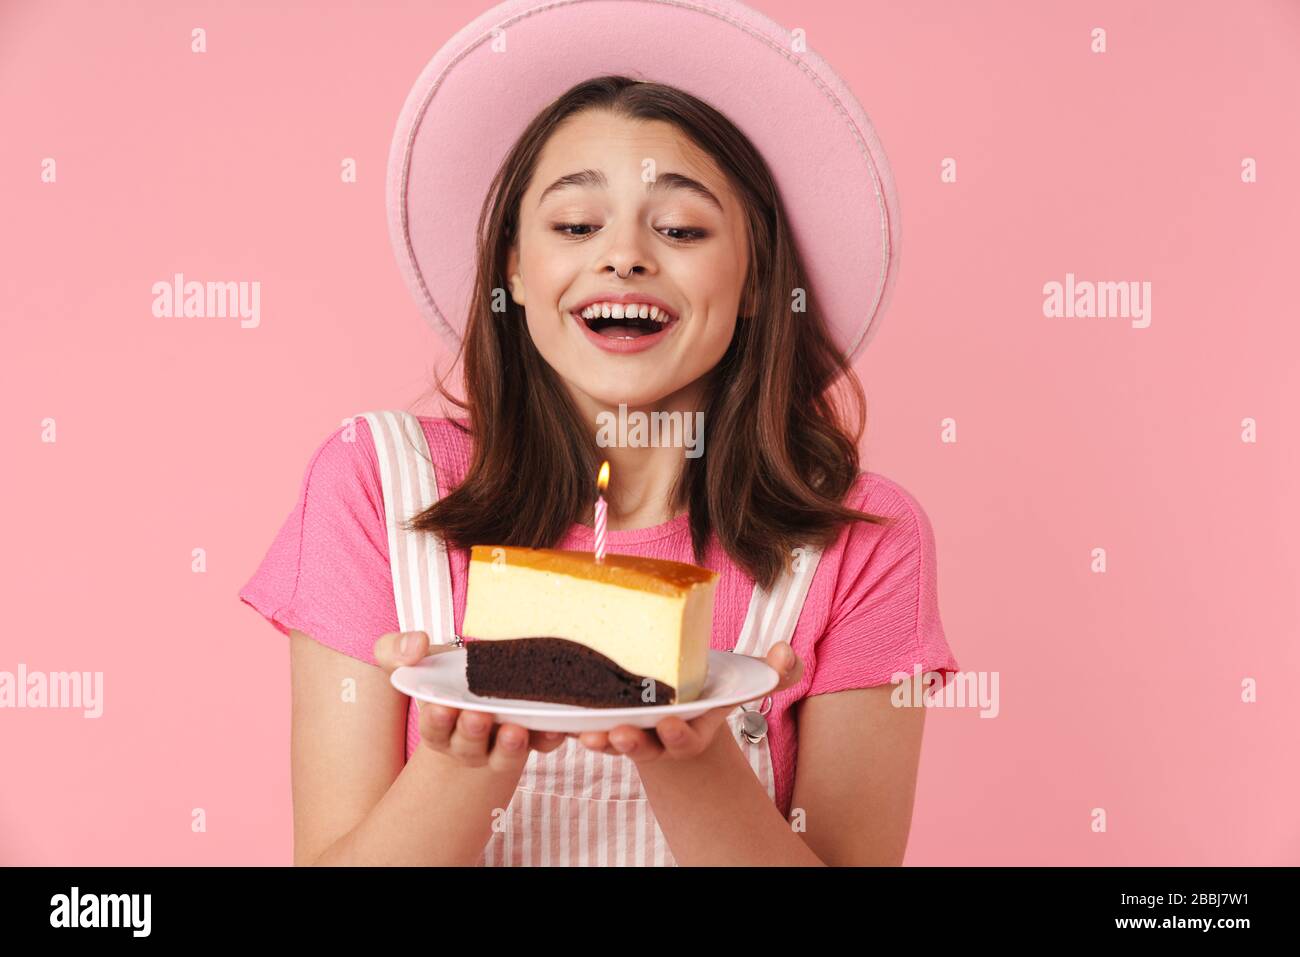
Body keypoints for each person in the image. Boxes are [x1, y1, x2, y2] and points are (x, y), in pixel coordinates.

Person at [239, 0, 958, 867]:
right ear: (514, 265)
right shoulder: (374, 483)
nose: (623, 256)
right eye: (576, 225)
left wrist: (697, 760)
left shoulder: (863, 543)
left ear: (759, 277)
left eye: (682, 229)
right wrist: (459, 756)